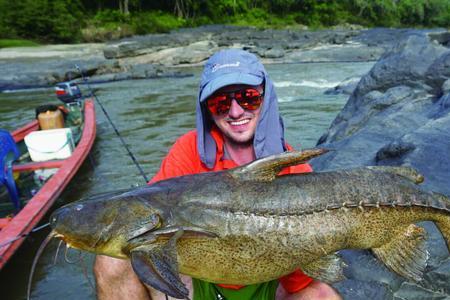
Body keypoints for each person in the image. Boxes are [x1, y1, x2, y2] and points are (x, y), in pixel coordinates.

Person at [94, 49, 341, 300]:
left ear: (266, 99)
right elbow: (146, 223)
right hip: (199, 279)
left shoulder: (294, 166)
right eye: (221, 102)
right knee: (113, 261)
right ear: (207, 108)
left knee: (322, 294)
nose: (235, 112)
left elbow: (298, 281)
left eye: (248, 98)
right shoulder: (187, 150)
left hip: (266, 282)